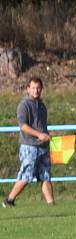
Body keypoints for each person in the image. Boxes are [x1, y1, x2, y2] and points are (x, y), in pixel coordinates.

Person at [3, 77, 55, 208]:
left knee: (45, 176)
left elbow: (41, 126)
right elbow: (23, 126)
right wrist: (39, 135)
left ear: (41, 89)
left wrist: (46, 136)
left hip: (43, 147)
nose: (36, 91)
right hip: (29, 146)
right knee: (26, 175)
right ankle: (9, 200)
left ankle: (51, 205)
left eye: (38, 88)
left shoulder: (42, 106)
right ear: (28, 89)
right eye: (33, 88)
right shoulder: (24, 105)